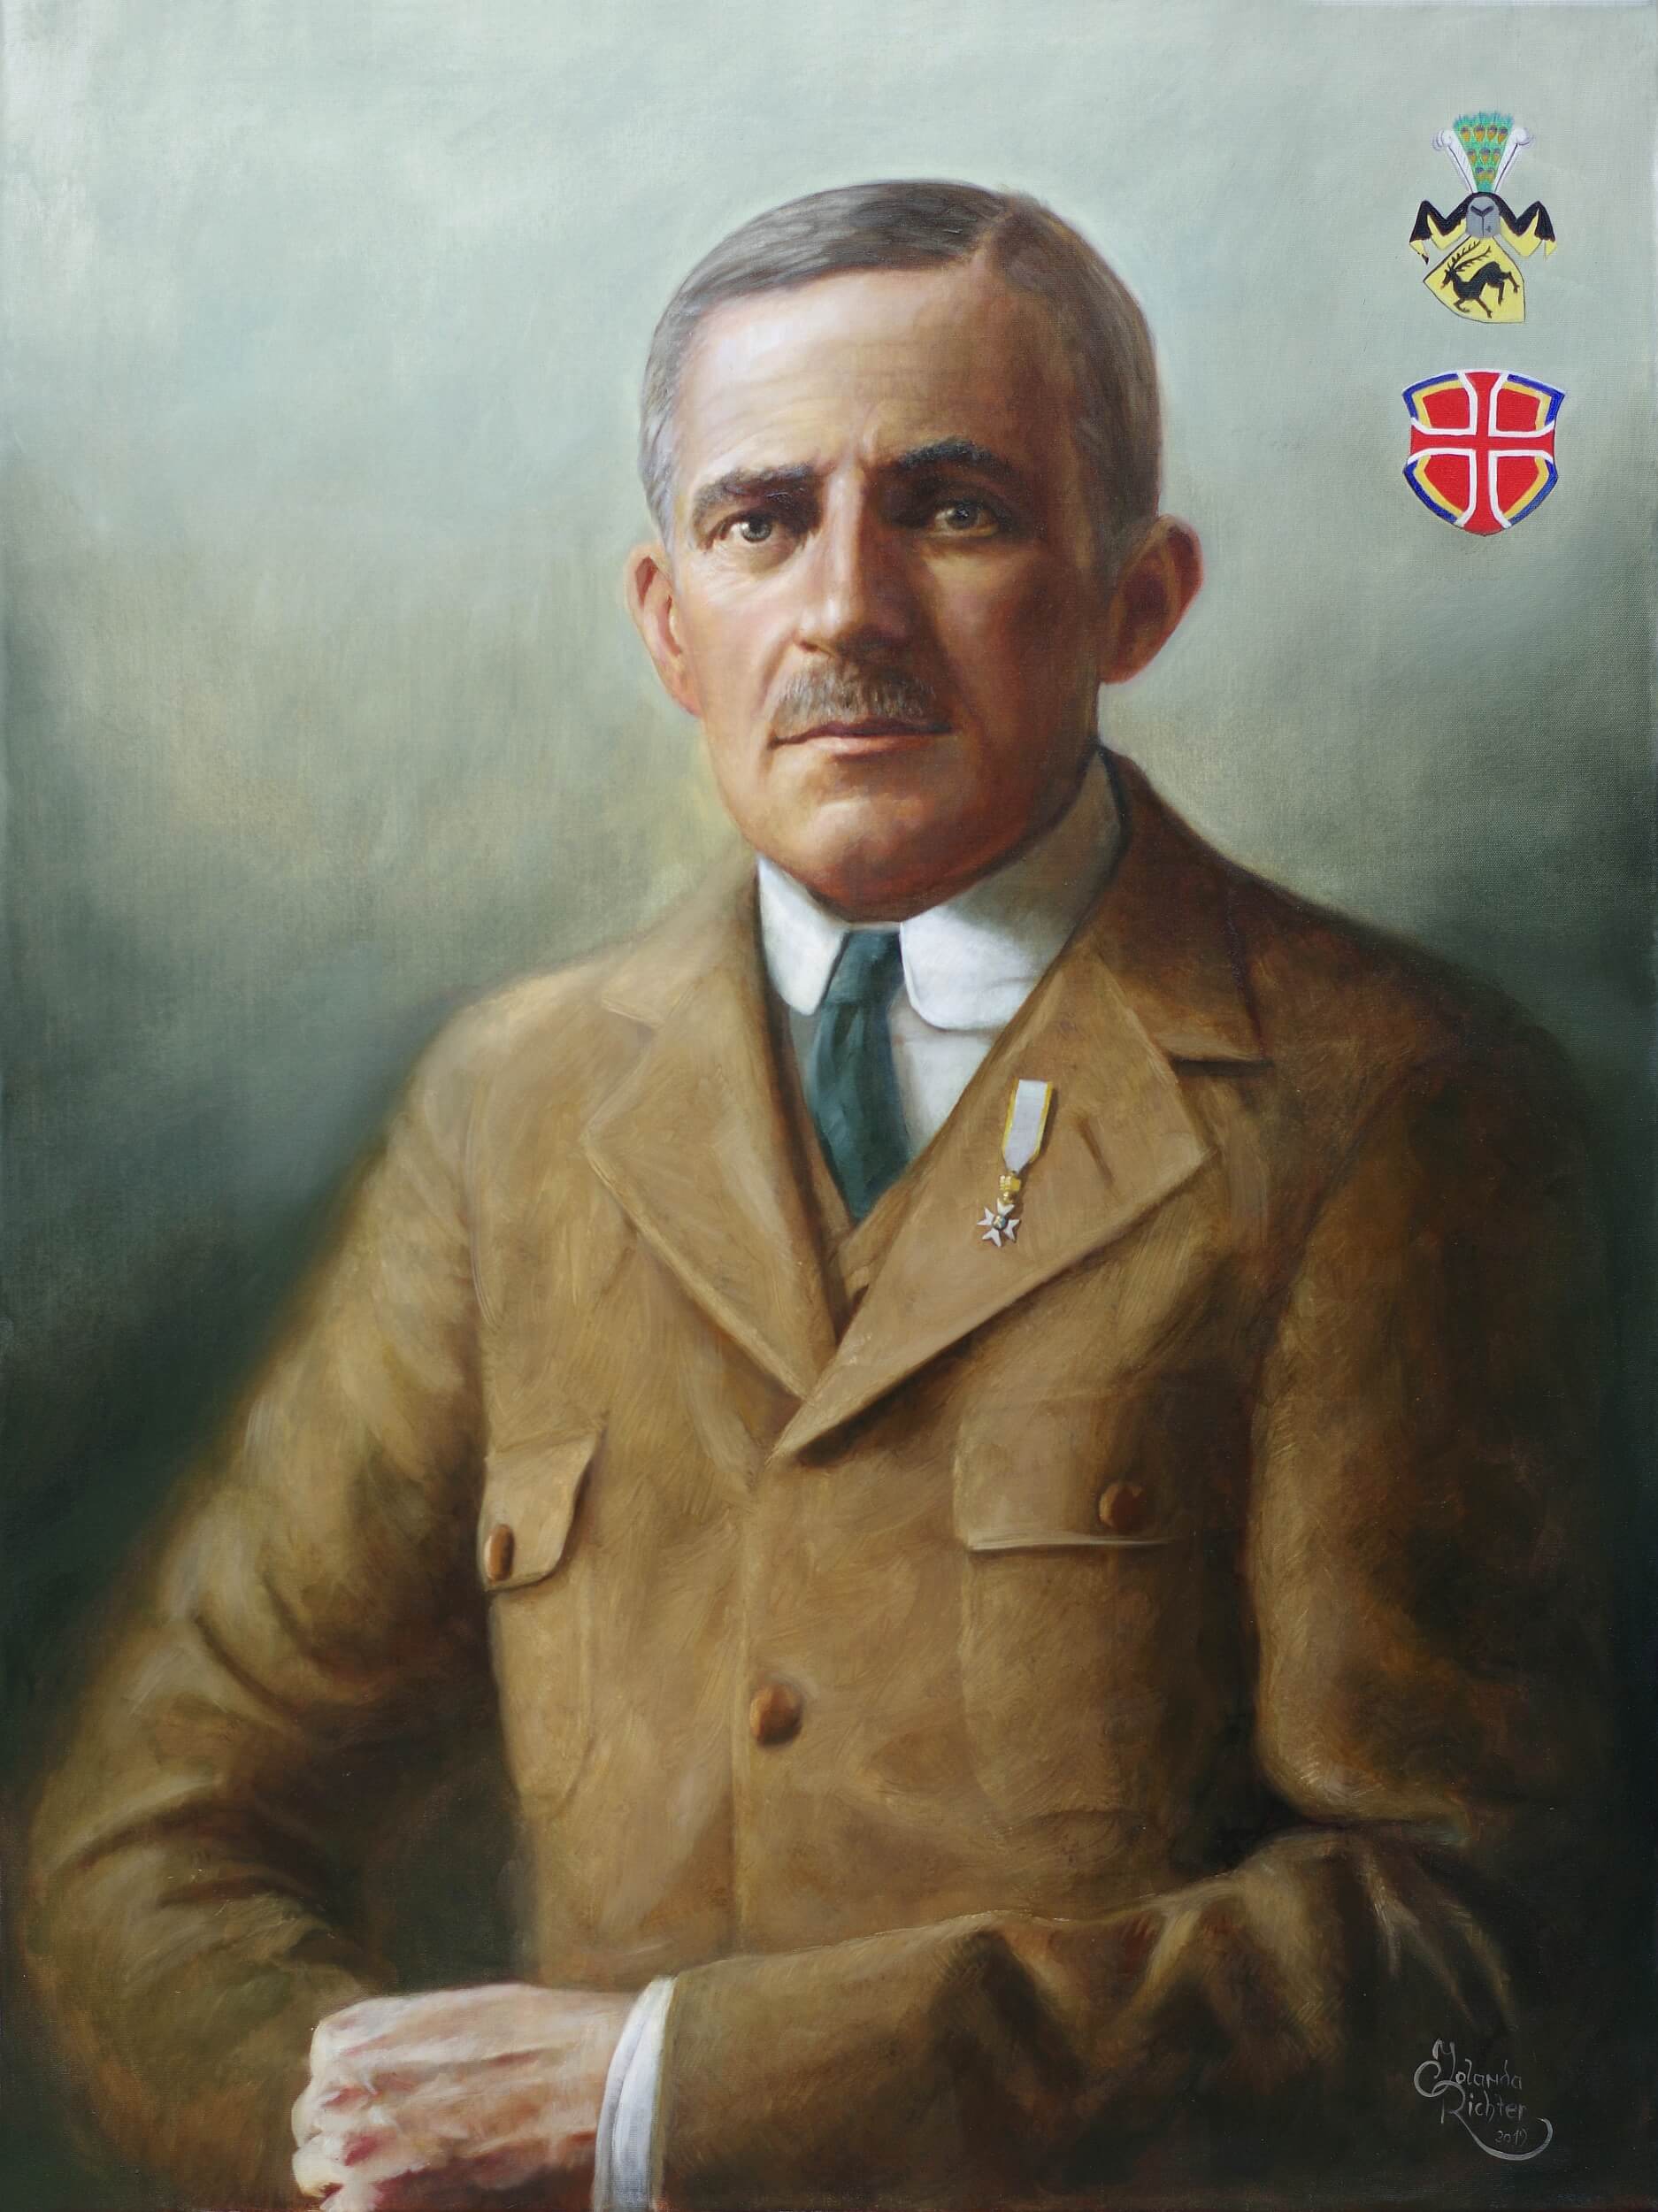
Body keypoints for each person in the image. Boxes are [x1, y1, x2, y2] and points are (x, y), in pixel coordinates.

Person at [25, 179, 1626, 2212]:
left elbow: (1476, 1963)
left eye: (952, 509)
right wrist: (369, 2139)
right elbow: (147, 1831)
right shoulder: (514, 1108)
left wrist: (662, 2098)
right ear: (666, 619)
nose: (846, 608)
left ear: (1135, 597)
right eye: (761, 520)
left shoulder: (1389, 1103)